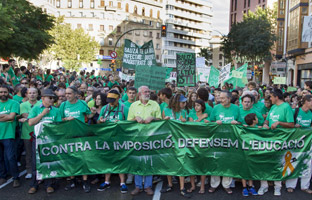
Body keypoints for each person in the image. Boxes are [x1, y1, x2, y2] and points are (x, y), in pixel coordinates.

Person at [59, 86, 96, 193]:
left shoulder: (82, 103)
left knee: (83, 158)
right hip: (68, 136)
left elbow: (88, 116)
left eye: (69, 93)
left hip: (81, 135)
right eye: (66, 93)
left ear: (75, 94)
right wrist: (66, 119)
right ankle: (72, 181)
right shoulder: (63, 105)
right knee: (70, 159)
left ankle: (85, 181)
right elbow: (60, 119)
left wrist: (92, 113)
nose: (67, 96)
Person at [259, 89, 295, 196]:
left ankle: (277, 186)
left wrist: (279, 123)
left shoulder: (286, 107)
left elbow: (291, 124)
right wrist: (265, 123)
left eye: (271, 96)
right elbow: (268, 119)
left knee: (278, 163)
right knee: (265, 162)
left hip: (281, 140)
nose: (269, 99)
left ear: (276, 97)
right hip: (269, 139)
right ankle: (264, 185)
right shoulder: (273, 107)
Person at [128, 86, 161, 196]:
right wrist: (135, 119)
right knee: (138, 161)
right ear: (140, 93)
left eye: (148, 91)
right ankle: (138, 186)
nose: (148, 93)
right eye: (145, 91)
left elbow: (160, 121)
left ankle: (147, 186)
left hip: (151, 138)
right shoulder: (133, 105)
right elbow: (128, 123)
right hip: (137, 138)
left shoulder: (155, 104)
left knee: (149, 161)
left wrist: (153, 118)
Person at [27, 89, 62, 194]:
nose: (52, 100)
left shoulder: (56, 110)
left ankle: (49, 184)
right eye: (49, 98)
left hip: (51, 140)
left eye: (53, 98)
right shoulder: (36, 109)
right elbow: (30, 123)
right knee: (35, 163)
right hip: (38, 140)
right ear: (42, 98)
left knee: (50, 162)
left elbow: (59, 126)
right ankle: (34, 184)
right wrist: (42, 114)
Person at [209, 90, 241, 194]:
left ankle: (226, 184)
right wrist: (215, 123)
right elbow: (210, 122)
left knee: (229, 162)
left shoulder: (236, 108)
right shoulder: (216, 108)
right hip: (218, 140)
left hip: (231, 141)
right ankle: (214, 184)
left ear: (229, 99)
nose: (220, 100)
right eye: (219, 98)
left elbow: (241, 123)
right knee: (216, 160)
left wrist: (237, 123)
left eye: (223, 98)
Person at [97, 90, 128, 194]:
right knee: (107, 160)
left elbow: (130, 124)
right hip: (107, 139)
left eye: (113, 101)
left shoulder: (124, 108)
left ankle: (122, 183)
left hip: (120, 139)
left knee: (120, 160)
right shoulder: (105, 108)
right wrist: (100, 120)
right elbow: (98, 122)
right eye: (109, 100)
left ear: (118, 98)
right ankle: (106, 181)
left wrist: (121, 123)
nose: (110, 103)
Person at [285, 95, 312, 194]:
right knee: (293, 162)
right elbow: (288, 123)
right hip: (295, 142)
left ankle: (305, 186)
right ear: (306, 102)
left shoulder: (311, 113)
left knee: (308, 164)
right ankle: (290, 185)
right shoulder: (295, 111)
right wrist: (294, 126)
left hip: (308, 142)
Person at [0, 85, 20, 187]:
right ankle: (2, 176)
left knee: (10, 157)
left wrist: (9, 117)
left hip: (8, 134)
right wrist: (5, 117)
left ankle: (16, 177)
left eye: (5, 92)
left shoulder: (14, 103)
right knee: (0, 158)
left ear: (9, 93)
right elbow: (8, 117)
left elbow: (12, 117)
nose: (3, 94)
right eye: (1, 92)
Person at [19, 88, 41, 180]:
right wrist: (35, 117)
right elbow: (25, 115)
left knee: (39, 153)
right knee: (29, 153)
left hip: (39, 132)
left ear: (37, 94)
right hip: (27, 132)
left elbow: (33, 117)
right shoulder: (23, 105)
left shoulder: (41, 104)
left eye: (34, 93)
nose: (32, 95)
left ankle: (40, 171)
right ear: (27, 95)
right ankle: (29, 171)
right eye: (30, 93)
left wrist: (32, 117)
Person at [242, 113, 259, 196]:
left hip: (253, 152)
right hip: (245, 152)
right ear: (254, 121)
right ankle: (244, 187)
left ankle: (250, 186)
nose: (258, 119)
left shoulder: (258, 129)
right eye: (256, 118)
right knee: (244, 170)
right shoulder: (244, 129)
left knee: (251, 170)